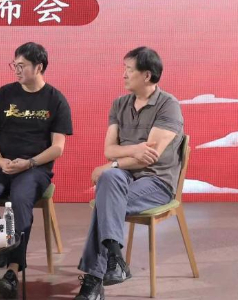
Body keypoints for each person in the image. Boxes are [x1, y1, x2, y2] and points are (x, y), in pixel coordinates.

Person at [74, 47, 184, 300]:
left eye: (129, 69)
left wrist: (112, 164)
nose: (123, 74)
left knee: (105, 198)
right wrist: (133, 151)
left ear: (146, 75)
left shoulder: (168, 105)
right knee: (109, 180)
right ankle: (115, 258)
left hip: (157, 182)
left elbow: (150, 157)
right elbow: (109, 150)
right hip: (125, 177)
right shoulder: (119, 104)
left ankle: (94, 281)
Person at [0, 42, 72, 299]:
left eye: (22, 66)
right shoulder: (5, 93)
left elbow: (58, 148)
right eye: (14, 65)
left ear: (39, 67)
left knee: (19, 203)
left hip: (34, 169)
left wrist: (30, 163)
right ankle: (1, 244)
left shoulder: (55, 99)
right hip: (1, 165)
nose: (16, 70)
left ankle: (13, 270)